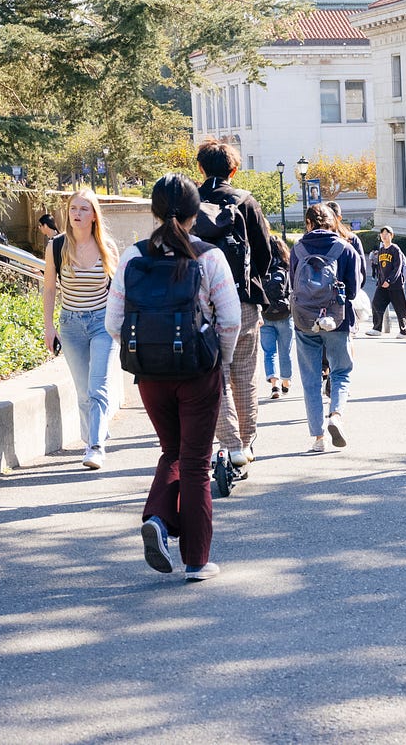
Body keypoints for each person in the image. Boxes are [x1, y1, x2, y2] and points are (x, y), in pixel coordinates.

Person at [106, 173, 241, 581]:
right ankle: (197, 561)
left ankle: (160, 522)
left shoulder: (133, 256)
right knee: (197, 463)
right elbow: (231, 321)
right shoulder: (209, 256)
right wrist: (221, 361)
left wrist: (149, 349)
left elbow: (115, 322)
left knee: (172, 452)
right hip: (198, 371)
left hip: (150, 374)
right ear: (195, 211)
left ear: (154, 210)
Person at [196, 138, 275, 470]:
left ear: (199, 168)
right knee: (243, 373)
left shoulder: (189, 202)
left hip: (201, 305)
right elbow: (264, 252)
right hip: (242, 300)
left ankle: (229, 444)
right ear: (234, 168)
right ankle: (245, 441)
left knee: (216, 375)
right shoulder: (245, 201)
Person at [41, 189, 120, 469]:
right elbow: (50, 288)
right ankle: (93, 436)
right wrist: (49, 326)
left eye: (84, 209)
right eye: (74, 208)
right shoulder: (57, 246)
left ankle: (95, 446)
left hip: (102, 322)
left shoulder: (107, 247)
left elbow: (118, 291)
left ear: (94, 215)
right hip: (71, 323)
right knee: (83, 390)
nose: (77, 214)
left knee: (97, 386)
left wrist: (120, 325)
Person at [290, 203, 360, 452]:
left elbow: (293, 284)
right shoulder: (346, 249)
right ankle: (337, 415)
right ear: (333, 222)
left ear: (308, 223)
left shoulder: (297, 249)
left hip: (304, 321)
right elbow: (352, 291)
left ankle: (318, 438)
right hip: (337, 319)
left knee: (310, 379)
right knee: (341, 371)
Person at [326, 201, 368, 333]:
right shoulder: (351, 239)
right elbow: (361, 274)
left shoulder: (313, 241)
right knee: (344, 347)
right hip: (344, 302)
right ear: (340, 217)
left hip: (318, 304)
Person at [260, 237, 294, 400]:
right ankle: (285, 382)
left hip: (265, 314)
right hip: (284, 314)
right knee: (284, 351)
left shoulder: (261, 268)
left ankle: (274, 384)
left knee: (269, 352)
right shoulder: (286, 268)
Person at [368, 226, 406, 337]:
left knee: (400, 309)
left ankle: (404, 331)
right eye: (382, 234)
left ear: (392, 235)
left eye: (387, 234)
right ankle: (377, 329)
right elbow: (380, 268)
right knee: (376, 304)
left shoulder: (395, 249)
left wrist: (389, 280)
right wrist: (380, 280)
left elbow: (397, 267)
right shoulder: (381, 250)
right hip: (383, 285)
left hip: (395, 285)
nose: (384, 236)